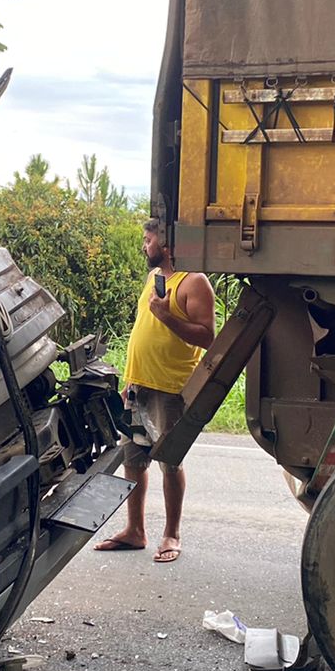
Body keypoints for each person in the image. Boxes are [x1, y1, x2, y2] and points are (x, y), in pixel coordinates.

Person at [95, 218, 215, 563]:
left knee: (169, 462)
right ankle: (135, 531)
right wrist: (130, 380)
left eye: (148, 240)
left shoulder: (195, 282)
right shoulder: (153, 278)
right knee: (133, 460)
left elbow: (207, 337)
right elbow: (142, 329)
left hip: (170, 388)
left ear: (167, 245)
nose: (144, 246)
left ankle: (171, 534)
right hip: (140, 385)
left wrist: (167, 316)